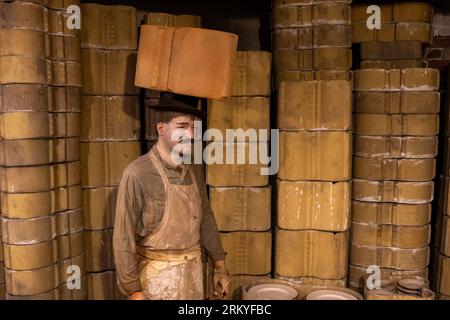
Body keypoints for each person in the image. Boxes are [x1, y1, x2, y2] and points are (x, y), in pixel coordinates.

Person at [113, 92, 232, 300]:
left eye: (194, 127)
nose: (191, 134)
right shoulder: (138, 173)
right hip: (157, 282)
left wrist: (219, 266)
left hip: (193, 276)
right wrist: (134, 290)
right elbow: (123, 238)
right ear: (161, 128)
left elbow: (205, 219)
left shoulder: (194, 170)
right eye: (182, 126)